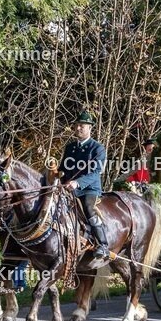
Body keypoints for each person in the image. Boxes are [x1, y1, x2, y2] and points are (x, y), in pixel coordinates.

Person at [61, 111, 110, 268]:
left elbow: (95, 173)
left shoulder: (98, 148)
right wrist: (56, 178)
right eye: (76, 125)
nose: (78, 128)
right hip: (69, 188)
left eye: (82, 125)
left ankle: (103, 245)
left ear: (90, 128)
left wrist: (77, 183)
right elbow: (63, 169)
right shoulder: (70, 148)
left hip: (89, 189)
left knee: (89, 208)